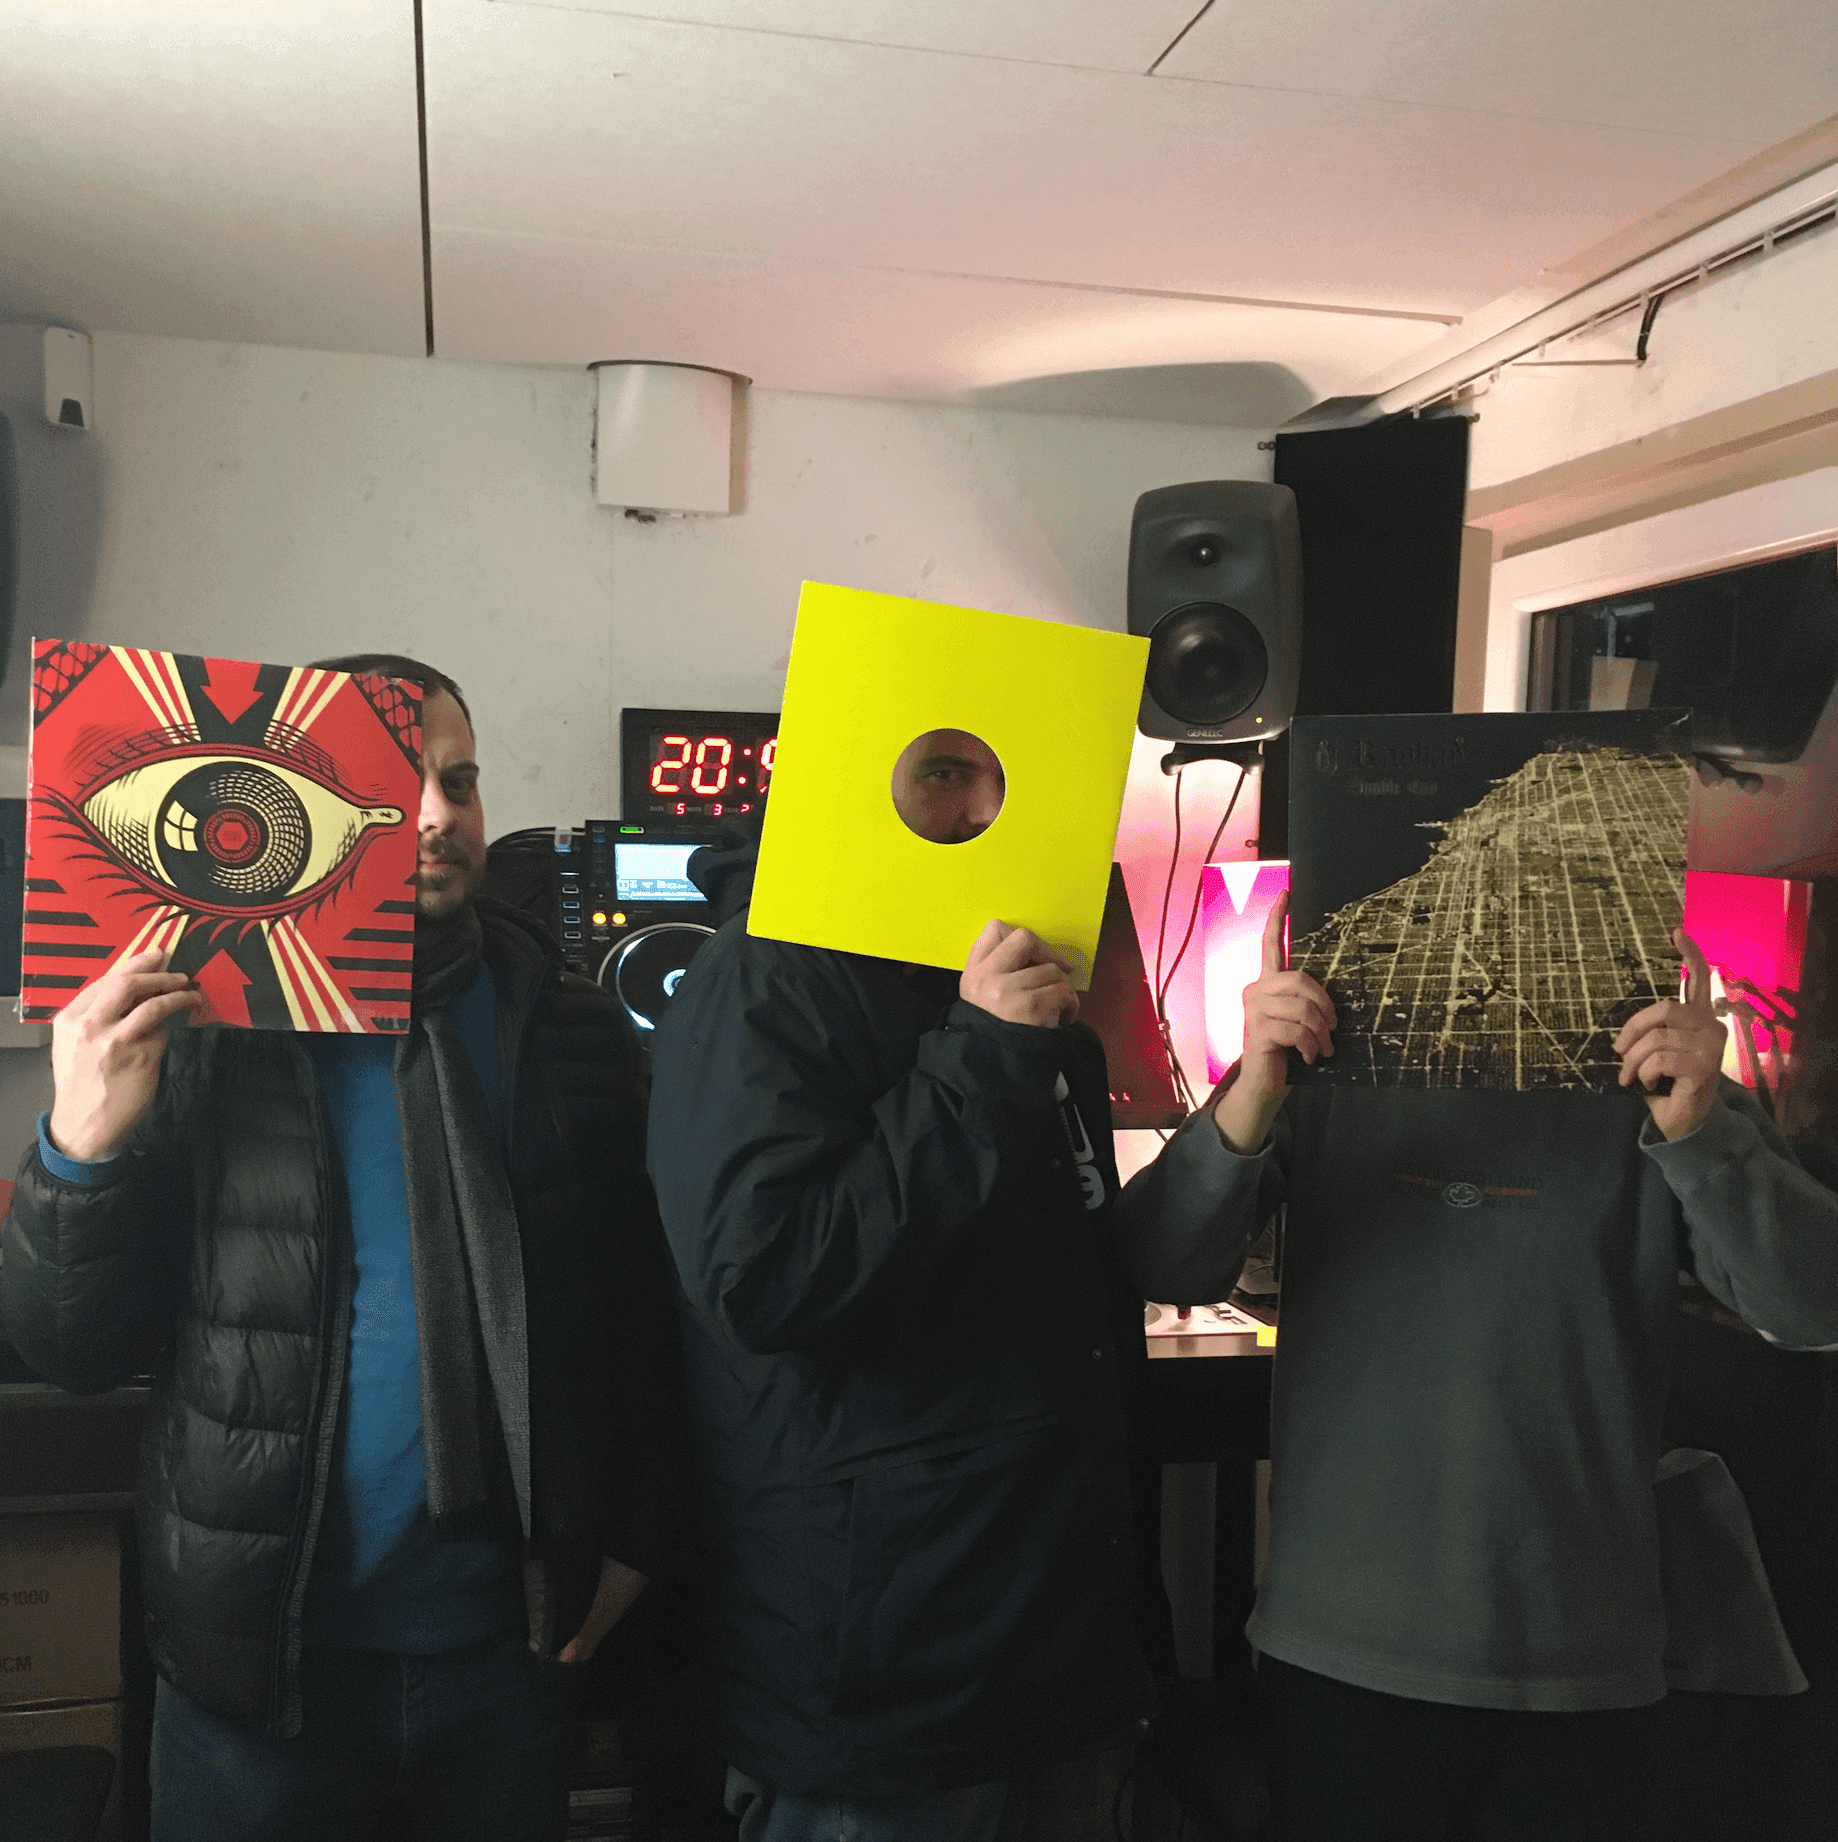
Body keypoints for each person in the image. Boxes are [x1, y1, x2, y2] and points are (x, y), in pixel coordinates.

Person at [2, 654, 683, 1842]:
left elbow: (635, 1312)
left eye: (458, 781)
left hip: (510, 1658)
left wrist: (640, 1536)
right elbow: (73, 1349)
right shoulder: (204, 1025)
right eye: (391, 783)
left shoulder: (568, 1021)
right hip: (263, 1670)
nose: (435, 815)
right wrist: (80, 1146)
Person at [1123, 892, 1838, 1842]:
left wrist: (1704, 1129)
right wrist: (1252, 1090)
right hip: (1339, 1652)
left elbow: (1811, 1310)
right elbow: (1162, 1266)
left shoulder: (1659, 1084)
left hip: (1580, 1663)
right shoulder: (1323, 1073)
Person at [645, 727, 1253, 1841]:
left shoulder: (1032, 1000)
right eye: (940, 770)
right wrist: (980, 1056)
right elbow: (765, 1280)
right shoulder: (764, 977)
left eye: (1001, 775)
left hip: (1055, 1656)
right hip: (891, 1690)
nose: (980, 809)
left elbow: (1078, 1286)